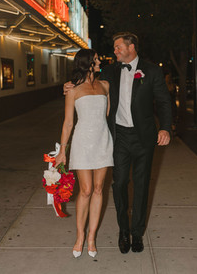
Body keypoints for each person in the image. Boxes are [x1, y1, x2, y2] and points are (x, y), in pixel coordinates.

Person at [64, 32, 172, 254]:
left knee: (141, 186)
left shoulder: (151, 71)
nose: (114, 51)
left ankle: (137, 233)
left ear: (131, 47)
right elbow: (84, 82)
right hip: (118, 137)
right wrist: (67, 86)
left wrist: (165, 127)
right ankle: (123, 230)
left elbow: (163, 101)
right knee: (119, 184)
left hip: (144, 138)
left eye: (118, 47)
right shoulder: (109, 72)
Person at [55, 49, 113, 259]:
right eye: (97, 59)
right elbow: (68, 122)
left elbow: (106, 116)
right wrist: (63, 150)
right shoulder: (72, 90)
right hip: (82, 142)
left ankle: (91, 238)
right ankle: (80, 236)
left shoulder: (105, 86)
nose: (100, 62)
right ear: (87, 63)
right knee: (86, 190)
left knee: (99, 189)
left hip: (103, 141)